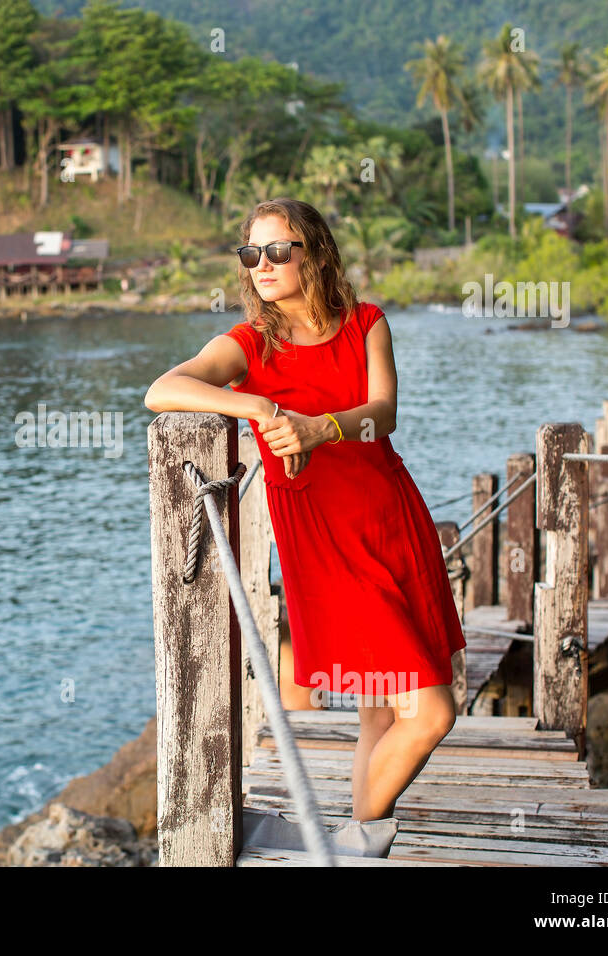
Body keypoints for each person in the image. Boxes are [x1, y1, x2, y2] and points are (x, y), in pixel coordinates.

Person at [143, 197, 466, 826]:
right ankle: (362, 842)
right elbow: (163, 390)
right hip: (324, 539)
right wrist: (260, 409)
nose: (261, 265)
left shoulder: (366, 322)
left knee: (381, 705)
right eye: (250, 254)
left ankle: (358, 834)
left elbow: (384, 414)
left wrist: (321, 429)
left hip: (389, 515)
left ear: (313, 252)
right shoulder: (248, 346)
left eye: (277, 250)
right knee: (432, 712)